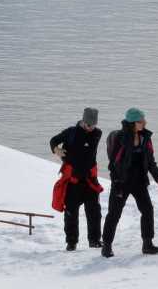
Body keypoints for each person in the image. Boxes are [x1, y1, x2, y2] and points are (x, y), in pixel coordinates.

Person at [101, 107, 158, 258]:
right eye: (141, 121)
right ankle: (107, 246)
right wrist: (117, 182)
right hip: (121, 182)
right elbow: (113, 164)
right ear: (133, 122)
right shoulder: (120, 138)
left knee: (148, 210)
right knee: (114, 214)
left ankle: (147, 244)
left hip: (139, 182)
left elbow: (150, 161)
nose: (145, 123)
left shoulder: (145, 138)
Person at [49, 107, 104, 251]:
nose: (90, 128)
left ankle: (94, 240)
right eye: (88, 124)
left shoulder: (97, 134)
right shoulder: (71, 132)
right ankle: (71, 242)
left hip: (90, 180)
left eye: (93, 125)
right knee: (71, 213)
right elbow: (53, 140)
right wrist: (57, 150)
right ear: (83, 121)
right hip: (73, 181)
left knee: (94, 212)